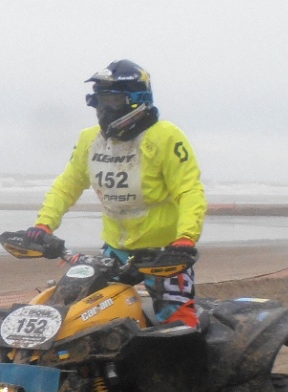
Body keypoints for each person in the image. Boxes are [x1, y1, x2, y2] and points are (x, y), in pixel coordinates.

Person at [25, 59, 207, 328]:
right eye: (98, 100)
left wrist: (185, 238)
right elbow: (67, 185)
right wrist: (43, 225)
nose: (102, 109)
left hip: (164, 255)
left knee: (179, 325)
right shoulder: (90, 140)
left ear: (136, 99)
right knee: (87, 317)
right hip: (114, 252)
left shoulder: (166, 137)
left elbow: (189, 190)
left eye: (111, 100)